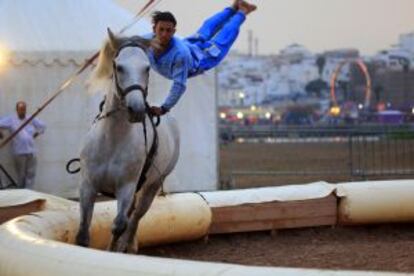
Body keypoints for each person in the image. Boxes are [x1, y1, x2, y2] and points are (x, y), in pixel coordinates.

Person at [146, 0, 257, 116]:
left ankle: (242, 12)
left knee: (226, 35)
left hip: (203, 58)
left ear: (174, 32)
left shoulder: (180, 56)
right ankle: (233, 8)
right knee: (207, 26)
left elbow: (179, 85)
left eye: (168, 31)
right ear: (154, 30)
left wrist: (164, 108)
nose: (164, 34)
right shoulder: (145, 41)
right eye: (161, 30)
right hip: (189, 44)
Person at [0, 101, 46, 189]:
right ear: (17, 110)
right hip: (19, 151)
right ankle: (22, 193)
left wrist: (35, 135)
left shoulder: (30, 118)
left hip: (31, 151)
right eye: (20, 109)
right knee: (21, 174)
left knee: (31, 173)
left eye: (24, 109)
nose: (22, 111)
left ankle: (29, 192)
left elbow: (42, 126)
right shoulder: (11, 119)